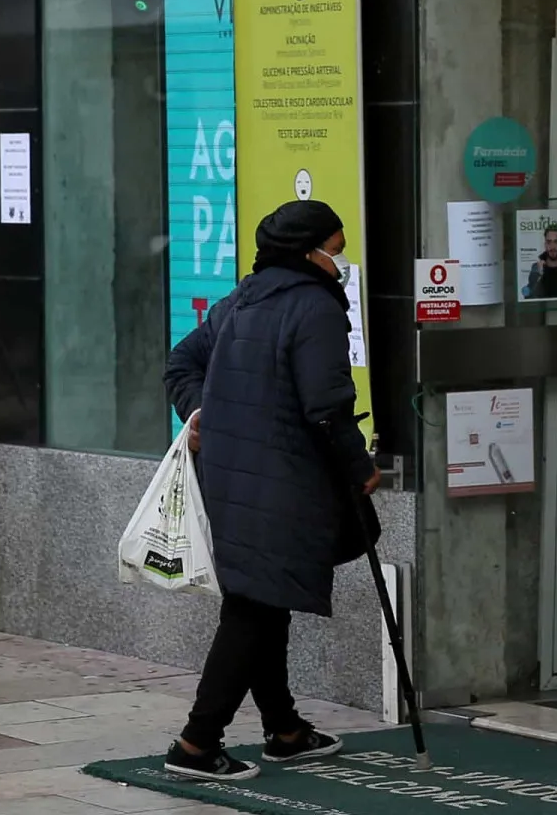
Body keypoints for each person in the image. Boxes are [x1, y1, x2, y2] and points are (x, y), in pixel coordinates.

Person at [161, 199, 380, 781]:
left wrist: (203, 412)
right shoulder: (313, 307)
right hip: (282, 481)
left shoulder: (245, 298)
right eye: (334, 251)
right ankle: (196, 743)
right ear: (307, 251)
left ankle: (284, 729)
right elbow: (328, 406)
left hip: (236, 476)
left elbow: (180, 364)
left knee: (263, 599)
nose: (339, 264)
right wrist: (360, 469)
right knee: (253, 609)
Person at [526, 224, 557, 299]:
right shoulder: (536, 267)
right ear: (545, 244)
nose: (552, 246)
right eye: (549, 242)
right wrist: (539, 276)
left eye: (556, 242)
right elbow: (529, 298)